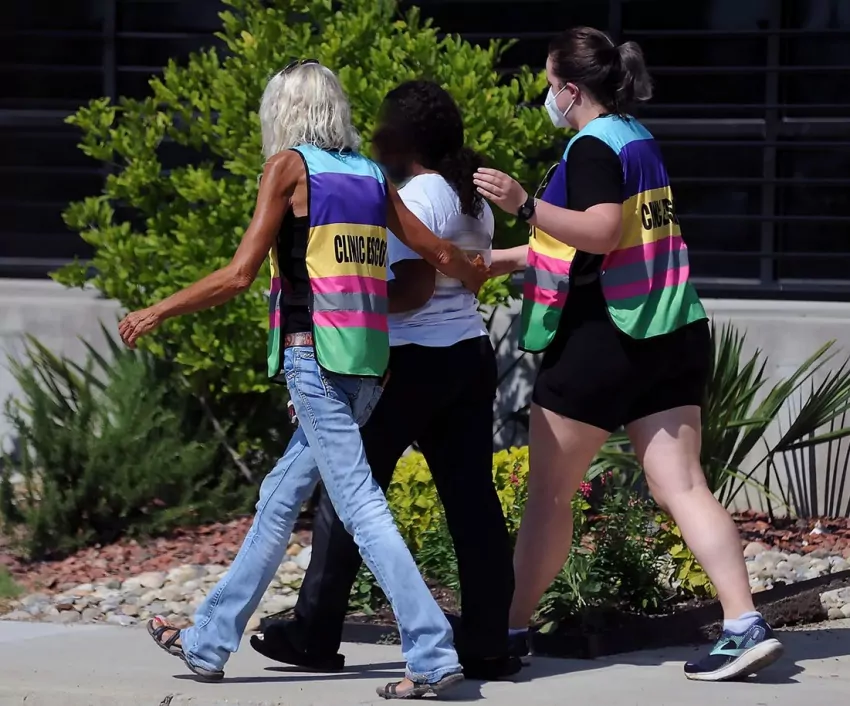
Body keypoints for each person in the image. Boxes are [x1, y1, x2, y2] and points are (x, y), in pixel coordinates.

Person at [118, 60, 489, 699]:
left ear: (285, 111)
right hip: (367, 366)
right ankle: (208, 640)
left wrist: (157, 310)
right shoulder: (370, 174)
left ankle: (431, 653)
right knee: (278, 498)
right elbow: (437, 253)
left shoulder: (289, 167)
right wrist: (478, 270)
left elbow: (240, 274)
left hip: (313, 359)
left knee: (361, 505)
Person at [472, 27, 784, 682]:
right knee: (684, 486)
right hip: (670, 331)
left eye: (549, 84)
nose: (546, 96)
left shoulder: (590, 146)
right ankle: (743, 624)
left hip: (603, 339)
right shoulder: (636, 138)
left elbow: (601, 229)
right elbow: (599, 241)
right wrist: (505, 259)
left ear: (570, 88)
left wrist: (524, 205)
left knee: (549, 497)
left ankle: (507, 632)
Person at [252, 80, 519, 681]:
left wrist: (340, 303)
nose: (372, 137)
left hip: (412, 363)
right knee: (473, 504)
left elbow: (416, 288)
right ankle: (487, 643)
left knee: (348, 495)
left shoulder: (419, 193)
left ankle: (314, 633)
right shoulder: (468, 194)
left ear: (404, 136)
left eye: (382, 126)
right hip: (467, 355)